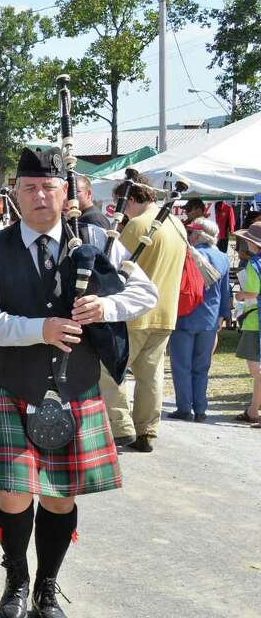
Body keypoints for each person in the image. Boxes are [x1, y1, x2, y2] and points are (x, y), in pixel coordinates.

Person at [0, 147, 158, 618]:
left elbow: (145, 294)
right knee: (12, 493)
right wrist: (40, 328)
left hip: (75, 388)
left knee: (61, 497)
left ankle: (47, 585)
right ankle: (15, 580)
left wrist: (104, 308)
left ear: (65, 192)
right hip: (13, 385)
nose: (39, 196)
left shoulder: (95, 239)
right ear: (15, 194)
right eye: (29, 187)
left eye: (48, 187)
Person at [97, 173, 187, 453]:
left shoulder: (138, 225)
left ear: (133, 198)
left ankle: (121, 426)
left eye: (122, 204)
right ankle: (146, 431)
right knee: (151, 376)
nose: (121, 211)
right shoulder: (177, 225)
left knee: (110, 370)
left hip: (134, 312)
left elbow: (115, 269)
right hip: (166, 311)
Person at [168, 218, 231, 421]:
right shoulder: (223, 257)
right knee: (202, 367)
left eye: (191, 233)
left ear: (197, 235)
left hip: (185, 316)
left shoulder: (187, 255)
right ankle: (201, 409)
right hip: (210, 319)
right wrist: (223, 316)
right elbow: (224, 291)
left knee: (181, 366)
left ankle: (185, 408)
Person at [232, 224, 261, 423]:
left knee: (256, 370)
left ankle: (253, 411)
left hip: (255, 320)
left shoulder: (253, 264)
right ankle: (252, 411)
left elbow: (252, 293)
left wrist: (239, 295)